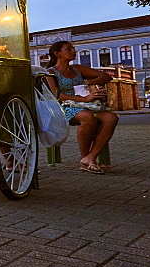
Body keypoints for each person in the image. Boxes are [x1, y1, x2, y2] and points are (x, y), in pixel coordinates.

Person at [45, 40, 119, 174]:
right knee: (87, 117)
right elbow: (55, 95)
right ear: (57, 54)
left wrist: (88, 82)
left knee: (111, 117)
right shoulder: (50, 72)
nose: (74, 51)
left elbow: (106, 76)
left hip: (87, 105)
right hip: (64, 106)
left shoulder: (77, 69)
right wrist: (84, 98)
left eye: (73, 48)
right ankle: (85, 158)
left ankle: (90, 157)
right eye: (68, 49)